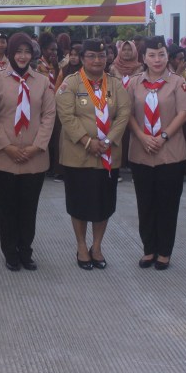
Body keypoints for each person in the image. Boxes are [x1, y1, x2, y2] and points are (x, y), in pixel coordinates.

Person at [56, 39, 132, 270]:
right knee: (78, 202)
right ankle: (81, 246)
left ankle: (97, 247)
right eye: (91, 56)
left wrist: (107, 141)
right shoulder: (71, 83)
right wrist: (88, 141)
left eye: (101, 56)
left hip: (107, 155)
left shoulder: (115, 84)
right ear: (82, 58)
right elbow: (66, 115)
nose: (97, 60)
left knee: (103, 203)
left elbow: (124, 113)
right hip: (78, 154)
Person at [0, 33, 56, 271]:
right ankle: (10, 252)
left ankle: (26, 251)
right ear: (10, 53)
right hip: (4, 156)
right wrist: (7, 147)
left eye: (27, 52)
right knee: (6, 208)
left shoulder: (42, 81)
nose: (23, 56)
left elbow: (49, 116)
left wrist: (37, 146)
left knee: (28, 208)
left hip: (34, 157)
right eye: (18, 51)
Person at [127, 36, 186, 270]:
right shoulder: (134, 83)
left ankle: (164, 251)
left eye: (162, 55)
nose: (157, 59)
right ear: (144, 58)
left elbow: (184, 113)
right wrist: (142, 136)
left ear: (168, 56)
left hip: (170, 152)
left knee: (168, 204)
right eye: (152, 55)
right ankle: (149, 249)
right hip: (141, 150)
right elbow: (127, 114)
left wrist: (163, 136)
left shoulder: (178, 82)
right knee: (145, 203)